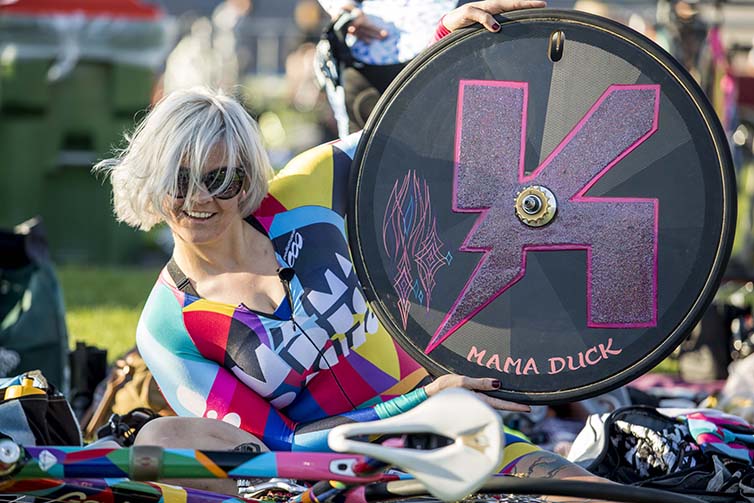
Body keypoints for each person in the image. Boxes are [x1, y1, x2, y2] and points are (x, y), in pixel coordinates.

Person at [95, 1, 617, 498]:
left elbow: (409, 123)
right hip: (324, 473)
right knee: (162, 440)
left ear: (248, 176)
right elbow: (279, 443)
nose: (200, 200)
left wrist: (450, 44)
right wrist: (420, 403)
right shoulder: (167, 326)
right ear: (150, 182)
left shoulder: (310, 186)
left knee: (595, 498)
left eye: (222, 178)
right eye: (181, 181)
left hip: (444, 433)